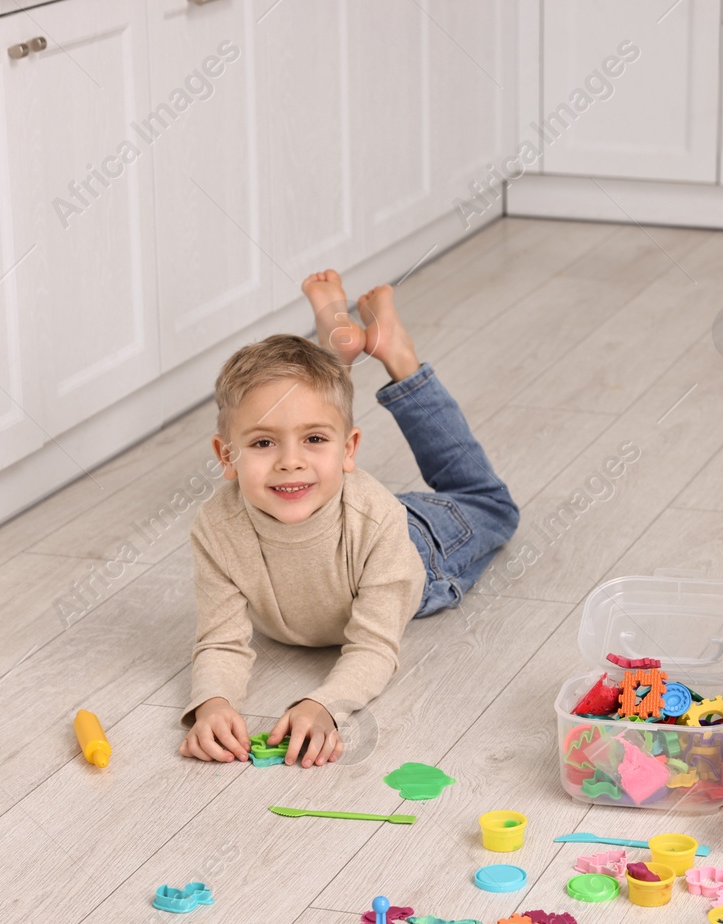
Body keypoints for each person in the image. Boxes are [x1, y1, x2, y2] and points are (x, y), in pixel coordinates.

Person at [178, 272, 518, 766]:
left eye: (314, 440)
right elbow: (221, 641)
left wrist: (325, 705)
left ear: (349, 449)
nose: (288, 461)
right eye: (262, 442)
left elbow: (374, 645)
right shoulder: (216, 528)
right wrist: (211, 704)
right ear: (226, 456)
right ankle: (334, 346)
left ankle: (399, 356)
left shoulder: (376, 520)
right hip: (343, 513)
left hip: (418, 541)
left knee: (489, 503)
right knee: (315, 410)